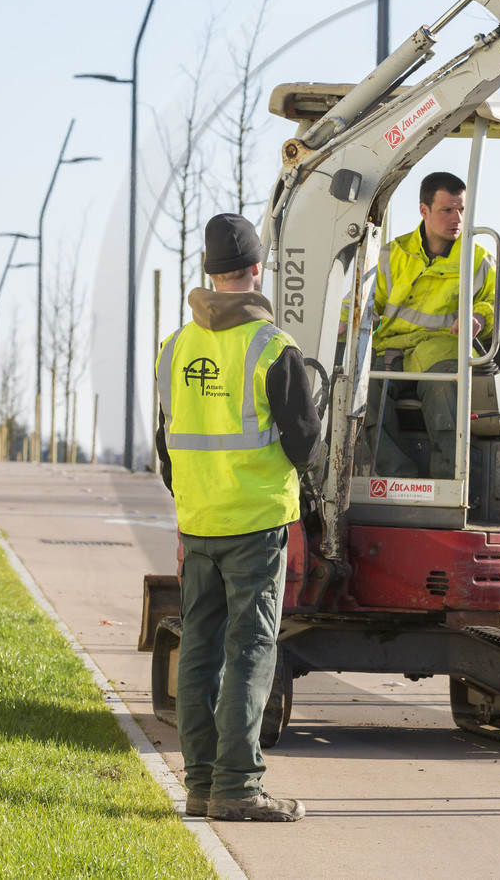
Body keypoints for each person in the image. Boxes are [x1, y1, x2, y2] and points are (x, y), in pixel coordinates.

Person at [154, 212, 322, 823]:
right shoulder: (273, 347)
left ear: (210, 272)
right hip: (256, 524)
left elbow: (167, 445)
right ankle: (238, 787)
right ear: (256, 272)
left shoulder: (175, 348)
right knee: (251, 649)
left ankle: (200, 784)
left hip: (198, 524)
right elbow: (305, 441)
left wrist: (191, 502)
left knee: (200, 648)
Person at [364, 170, 500, 479]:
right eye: (447, 210)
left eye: (461, 209)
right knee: (361, 392)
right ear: (424, 211)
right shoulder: (393, 254)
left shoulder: (478, 260)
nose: (457, 218)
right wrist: (339, 324)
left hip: (440, 354)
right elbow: (363, 302)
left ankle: (448, 484)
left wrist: (481, 317)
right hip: (392, 352)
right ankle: (398, 480)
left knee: (444, 389)